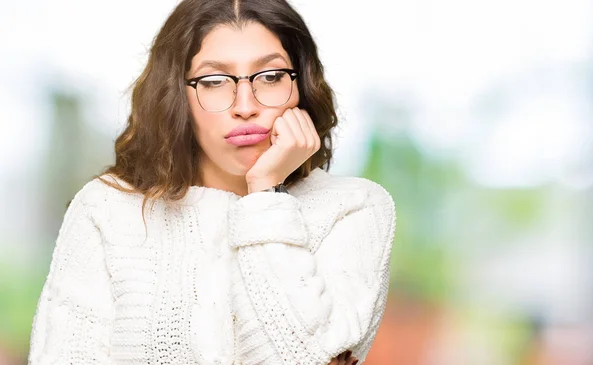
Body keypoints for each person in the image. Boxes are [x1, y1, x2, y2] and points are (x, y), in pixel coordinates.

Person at [27, 0, 396, 364]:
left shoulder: (355, 209)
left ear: (302, 85)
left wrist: (266, 191)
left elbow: (304, 357)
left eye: (270, 77)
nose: (245, 105)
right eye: (214, 81)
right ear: (176, 95)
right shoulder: (107, 209)